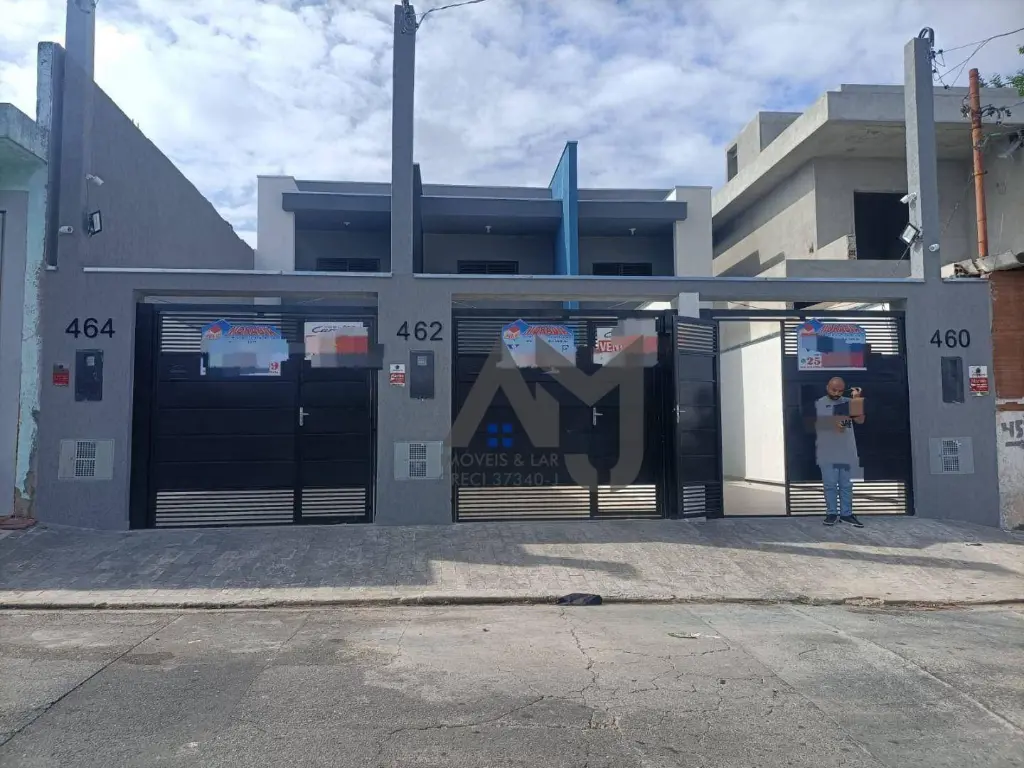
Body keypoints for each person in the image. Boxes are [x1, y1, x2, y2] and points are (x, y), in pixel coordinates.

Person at [815, 377, 865, 527]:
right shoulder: (820, 403)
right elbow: (834, 425)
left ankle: (846, 514)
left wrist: (857, 400)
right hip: (827, 452)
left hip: (847, 451)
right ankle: (831, 513)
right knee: (830, 484)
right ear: (827, 388)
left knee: (846, 485)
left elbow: (860, 420)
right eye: (834, 390)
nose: (836, 393)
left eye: (840, 391)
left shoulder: (849, 402)